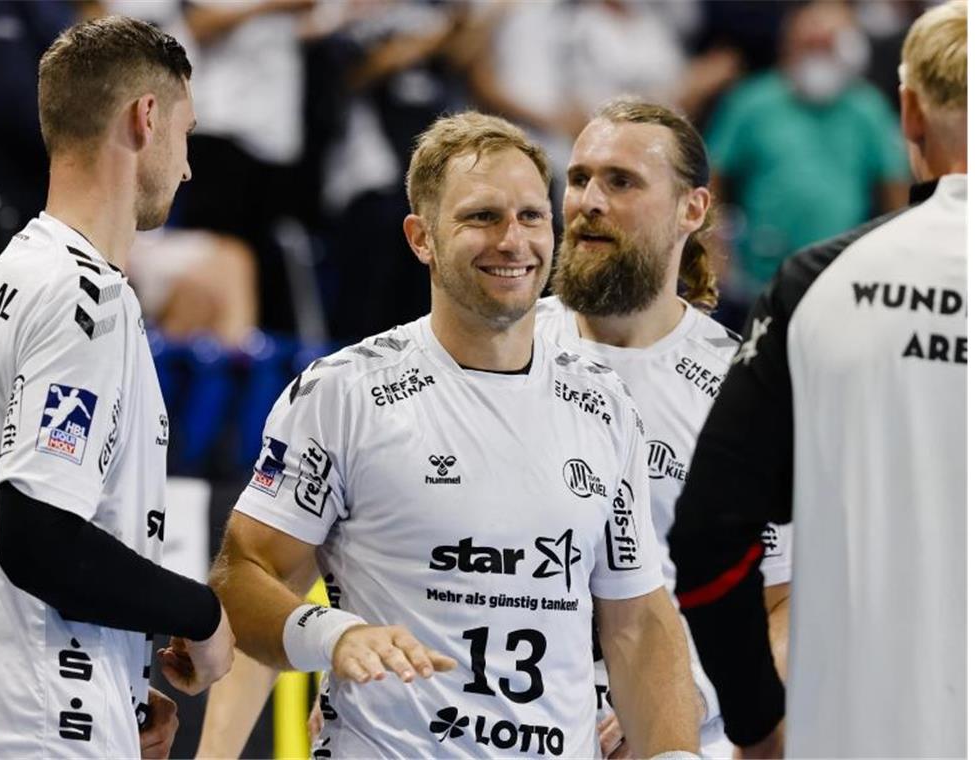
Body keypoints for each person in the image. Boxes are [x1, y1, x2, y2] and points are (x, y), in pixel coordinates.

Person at [209, 111, 702, 758]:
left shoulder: (603, 404)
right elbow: (242, 576)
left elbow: (637, 621)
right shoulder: (345, 393)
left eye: (531, 216)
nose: (512, 240)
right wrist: (331, 636)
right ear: (422, 238)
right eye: (481, 217)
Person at [667, 1, 966, 756]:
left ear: (908, 113)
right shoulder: (760, 110)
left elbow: (709, 534)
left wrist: (756, 723)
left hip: (865, 721)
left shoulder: (819, 283)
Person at [0, 16, 235, 758]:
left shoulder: (8, 278)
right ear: (146, 119)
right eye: (186, 135)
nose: (187, 168)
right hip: (37, 728)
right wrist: (199, 613)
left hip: (5, 702)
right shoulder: (85, 300)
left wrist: (113, 679)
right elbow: (39, 539)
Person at [534, 97, 792, 759]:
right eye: (579, 178)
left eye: (621, 181)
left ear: (693, 210)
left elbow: (789, 605)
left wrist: (684, 703)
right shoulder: (496, 348)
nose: (589, 199)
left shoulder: (747, 389)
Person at [704, 0, 911, 320]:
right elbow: (713, 177)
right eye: (808, 44)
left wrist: (890, 265)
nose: (817, 55)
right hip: (758, 280)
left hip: (841, 280)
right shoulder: (752, 101)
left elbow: (895, 192)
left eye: (827, 45)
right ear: (788, 44)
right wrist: (714, 253)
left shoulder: (866, 108)